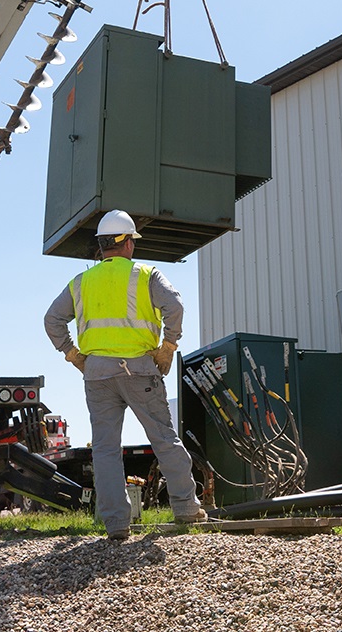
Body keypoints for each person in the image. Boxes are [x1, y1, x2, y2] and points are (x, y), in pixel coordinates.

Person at [44, 210, 208, 540]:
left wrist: (73, 354)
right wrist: (168, 346)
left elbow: (52, 319)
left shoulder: (81, 282)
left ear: (102, 247)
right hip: (140, 371)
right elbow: (174, 306)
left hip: (98, 376)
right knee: (164, 438)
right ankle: (187, 509)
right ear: (128, 244)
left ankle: (117, 524)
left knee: (105, 450)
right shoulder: (145, 274)